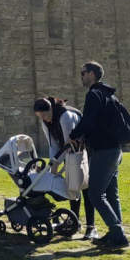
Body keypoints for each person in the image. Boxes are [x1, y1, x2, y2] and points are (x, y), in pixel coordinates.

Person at [69, 61, 129, 249]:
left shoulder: (94, 94)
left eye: (83, 73)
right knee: (111, 194)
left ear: (92, 74)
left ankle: (118, 235)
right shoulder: (109, 95)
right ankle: (114, 234)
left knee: (95, 194)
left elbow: (88, 121)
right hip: (114, 149)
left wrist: (72, 136)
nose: (81, 76)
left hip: (104, 151)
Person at [34, 96, 96, 239]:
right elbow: (53, 145)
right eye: (40, 116)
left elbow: (70, 143)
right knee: (72, 186)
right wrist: (52, 164)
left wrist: (56, 162)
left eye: (44, 115)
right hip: (71, 153)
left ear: (50, 109)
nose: (43, 118)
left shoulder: (65, 117)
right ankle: (74, 222)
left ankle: (91, 227)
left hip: (85, 151)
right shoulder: (45, 122)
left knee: (86, 187)